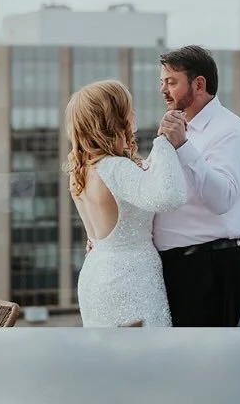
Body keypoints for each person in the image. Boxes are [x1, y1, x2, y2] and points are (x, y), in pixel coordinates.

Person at [66, 80, 189, 327]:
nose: (134, 113)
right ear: (113, 118)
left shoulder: (82, 168)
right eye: (128, 107)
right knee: (141, 349)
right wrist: (164, 142)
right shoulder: (115, 168)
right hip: (128, 279)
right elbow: (170, 195)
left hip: (97, 271)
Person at [154, 46, 240, 327]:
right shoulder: (177, 129)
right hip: (174, 267)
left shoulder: (231, 132)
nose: (163, 90)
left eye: (171, 82)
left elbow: (222, 199)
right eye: (162, 82)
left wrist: (182, 147)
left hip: (209, 266)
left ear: (199, 84)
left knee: (205, 352)